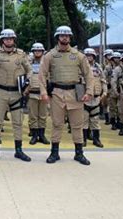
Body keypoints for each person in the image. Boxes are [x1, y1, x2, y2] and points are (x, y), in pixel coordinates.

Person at [38, 25, 93, 166]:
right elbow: (42, 75)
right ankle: (54, 152)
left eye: (67, 36)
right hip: (57, 93)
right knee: (57, 124)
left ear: (70, 38)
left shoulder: (78, 55)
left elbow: (88, 74)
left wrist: (89, 91)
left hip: (75, 93)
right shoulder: (49, 55)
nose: (65, 38)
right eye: (62, 36)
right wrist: (44, 92)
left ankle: (79, 153)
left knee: (77, 125)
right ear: (57, 38)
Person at [0, 29, 32, 163]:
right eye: (6, 39)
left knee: (17, 122)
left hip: (17, 93)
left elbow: (29, 70)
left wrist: (27, 84)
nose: (9, 41)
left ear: (14, 40)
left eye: (11, 39)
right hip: (0, 92)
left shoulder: (21, 55)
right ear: (2, 41)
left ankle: (18, 150)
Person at [82, 48, 106, 148]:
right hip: (84, 98)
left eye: (90, 56)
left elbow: (103, 80)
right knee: (84, 121)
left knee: (95, 121)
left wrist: (104, 92)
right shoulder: (80, 68)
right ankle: (83, 140)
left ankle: (96, 139)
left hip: (96, 98)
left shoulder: (98, 68)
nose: (89, 58)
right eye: (87, 56)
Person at [28, 42, 50, 145]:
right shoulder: (28, 62)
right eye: (35, 50)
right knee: (33, 115)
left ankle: (42, 135)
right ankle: (34, 135)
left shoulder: (46, 63)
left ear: (42, 52)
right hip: (32, 92)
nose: (37, 52)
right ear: (33, 51)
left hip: (43, 93)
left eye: (39, 50)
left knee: (43, 115)